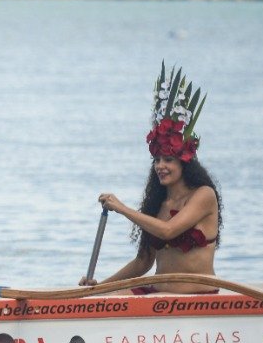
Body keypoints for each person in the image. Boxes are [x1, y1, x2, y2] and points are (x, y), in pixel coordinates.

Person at [83, 64, 221, 294]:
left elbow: (168, 232)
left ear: (184, 163)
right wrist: (99, 288)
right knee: (95, 300)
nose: (160, 166)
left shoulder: (203, 195)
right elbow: (143, 262)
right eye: (157, 160)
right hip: (156, 297)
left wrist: (122, 208)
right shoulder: (158, 203)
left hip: (197, 300)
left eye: (168, 160)